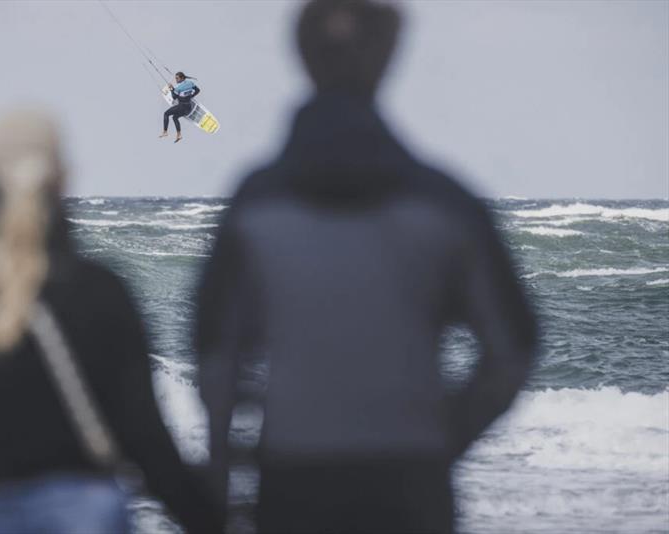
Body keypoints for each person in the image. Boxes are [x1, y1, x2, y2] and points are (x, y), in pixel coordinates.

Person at [195, 1, 539, 532]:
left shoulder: (256, 203)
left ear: (302, 56)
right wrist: (444, 436)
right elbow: (512, 351)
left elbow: (218, 364)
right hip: (411, 480)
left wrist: (220, 487)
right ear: (389, 56)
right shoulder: (446, 202)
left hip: (294, 479)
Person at [0, 109, 219, 533]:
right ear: (64, 179)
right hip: (81, 514)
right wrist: (206, 521)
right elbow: (144, 435)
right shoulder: (100, 289)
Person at [160, 71, 200, 143]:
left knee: (166, 114)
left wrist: (172, 89)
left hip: (181, 107)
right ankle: (179, 135)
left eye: (177, 78)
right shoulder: (190, 83)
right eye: (175, 78)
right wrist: (190, 96)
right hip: (188, 108)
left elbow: (174, 97)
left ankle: (165, 132)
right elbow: (197, 90)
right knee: (175, 117)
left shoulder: (179, 88)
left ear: (182, 78)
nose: (176, 80)